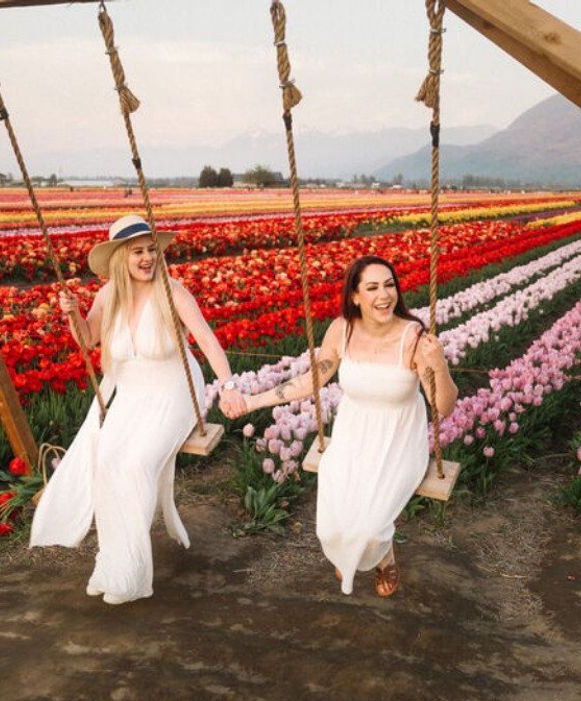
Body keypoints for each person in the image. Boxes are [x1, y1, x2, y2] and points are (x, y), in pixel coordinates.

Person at [29, 215, 245, 605]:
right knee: (107, 462)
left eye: (151, 250)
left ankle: (129, 572)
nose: (147, 258)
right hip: (130, 392)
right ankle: (110, 562)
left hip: (174, 391)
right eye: (138, 252)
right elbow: (88, 340)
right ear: (119, 258)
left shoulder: (172, 292)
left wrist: (228, 386)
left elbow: (209, 344)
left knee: (135, 465)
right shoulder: (108, 296)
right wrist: (73, 313)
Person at [236, 255, 457, 596]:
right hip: (352, 435)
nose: (384, 295)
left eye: (389, 285)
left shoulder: (412, 338)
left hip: (397, 440)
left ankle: (383, 557)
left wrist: (438, 365)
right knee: (330, 529)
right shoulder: (342, 329)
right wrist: (252, 401)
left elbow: (443, 407)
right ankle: (354, 550)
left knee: (370, 529)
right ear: (355, 296)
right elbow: (311, 380)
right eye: (372, 288)